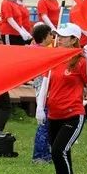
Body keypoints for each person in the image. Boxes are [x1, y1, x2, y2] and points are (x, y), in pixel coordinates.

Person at [35, 23, 87, 174]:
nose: (60, 39)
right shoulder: (54, 58)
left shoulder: (80, 61)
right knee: (63, 153)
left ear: (74, 40)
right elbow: (45, 84)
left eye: (64, 36)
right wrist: (40, 107)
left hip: (73, 114)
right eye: (59, 35)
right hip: (54, 115)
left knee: (58, 151)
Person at [30, 23, 54, 164]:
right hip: (43, 93)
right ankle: (39, 156)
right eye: (50, 34)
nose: (52, 37)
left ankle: (45, 154)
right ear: (45, 37)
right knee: (44, 126)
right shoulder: (43, 52)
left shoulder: (33, 49)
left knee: (46, 125)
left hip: (40, 90)